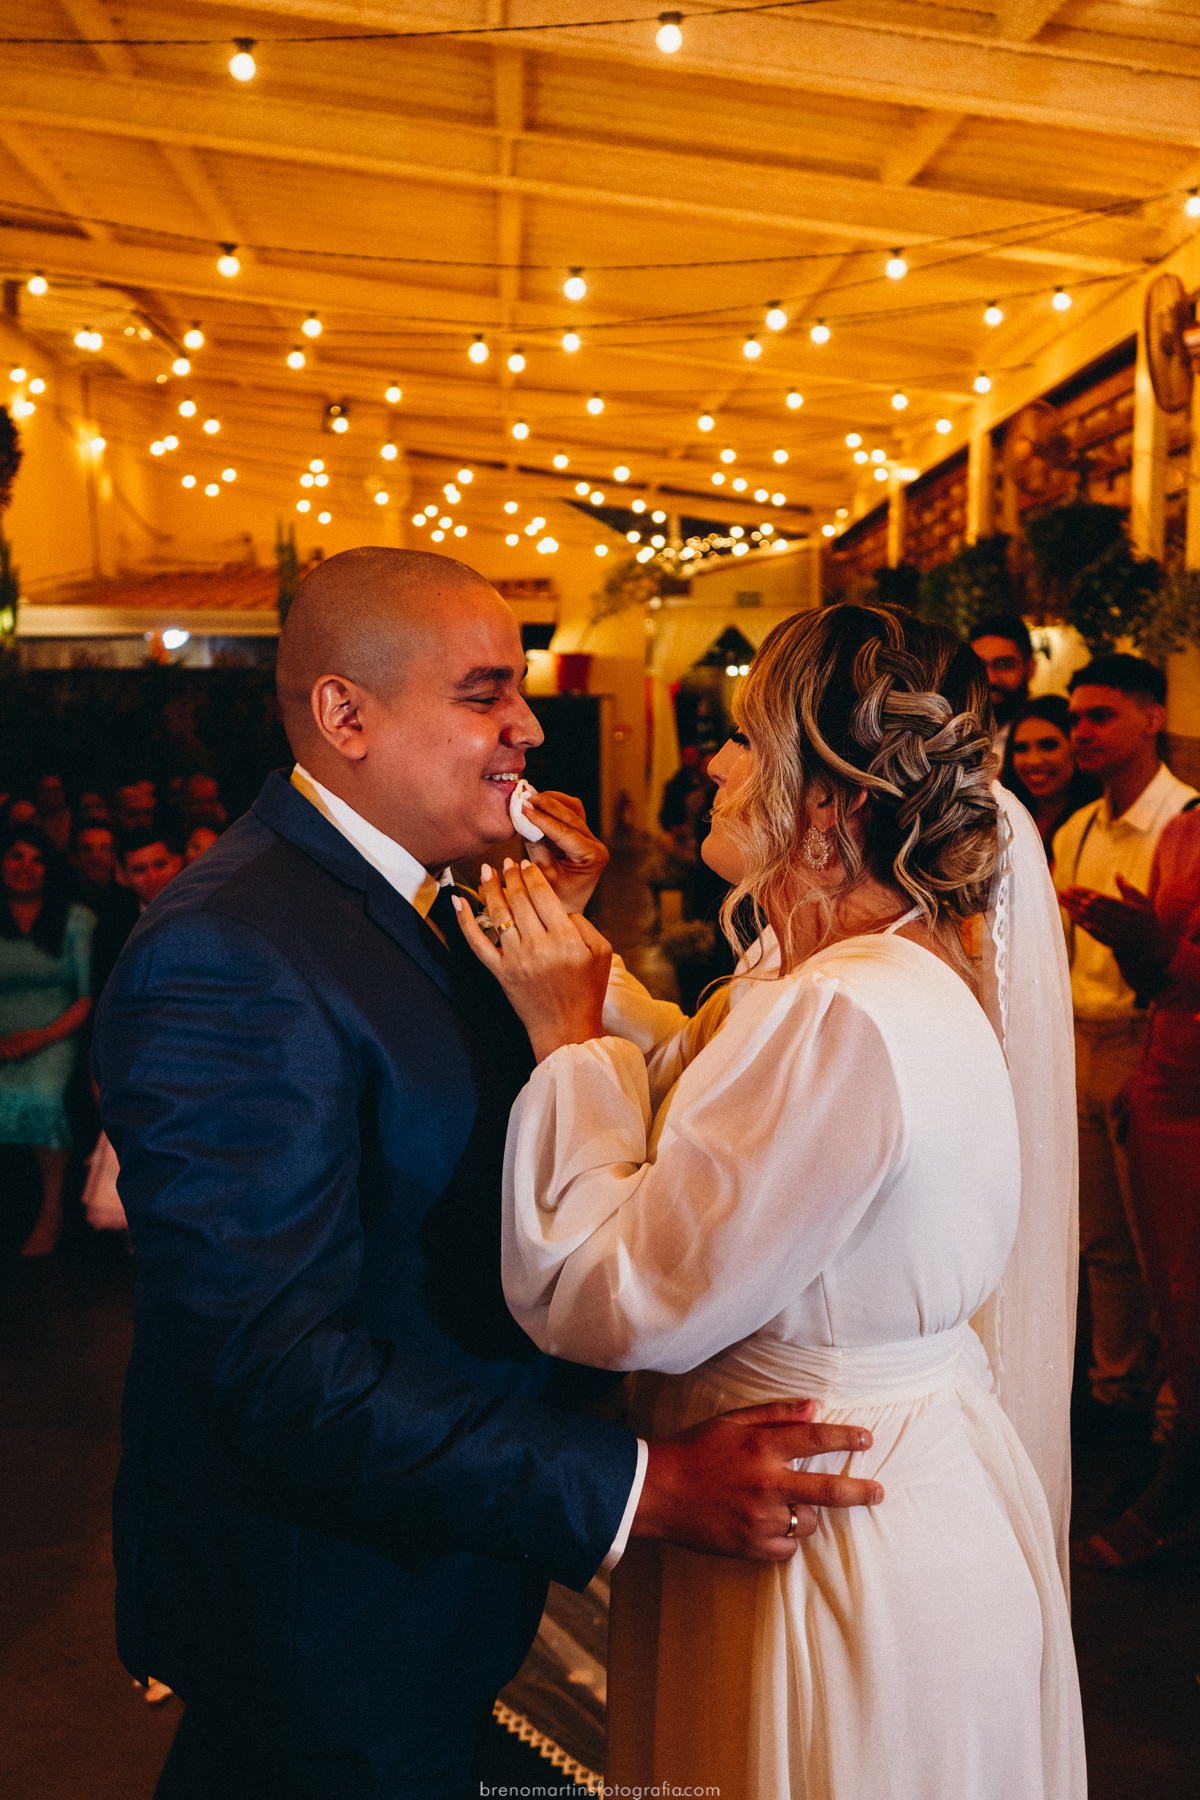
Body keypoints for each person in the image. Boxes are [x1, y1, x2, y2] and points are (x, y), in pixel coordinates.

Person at [93, 548, 878, 1799]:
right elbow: (273, 1364)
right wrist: (639, 1485)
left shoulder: (418, 901)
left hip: (430, 1584)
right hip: (324, 1622)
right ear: (346, 714)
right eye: (483, 694)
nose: (525, 729)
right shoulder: (230, 946)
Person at [459, 603, 1085, 1797]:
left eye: (747, 739)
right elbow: (718, 1104)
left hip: (828, 1530)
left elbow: (615, 1296)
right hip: (866, 1482)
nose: (720, 765)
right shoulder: (846, 975)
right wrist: (584, 961)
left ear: (832, 800)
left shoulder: (841, 1012)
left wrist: (563, 1038)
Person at [1056, 654, 1197, 1427]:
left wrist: (1146, 944)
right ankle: (1115, 1391)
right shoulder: (1080, 826)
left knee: (1164, 1247)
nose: (1082, 732)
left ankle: (1175, 1411)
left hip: (1155, 1041)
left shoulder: (1182, 822)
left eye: (1100, 716)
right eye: (1076, 717)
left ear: (1153, 717)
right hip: (1082, 1034)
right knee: (1101, 1239)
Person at [1061, 800, 1200, 1567]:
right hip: (1172, 1084)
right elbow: (1157, 984)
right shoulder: (1187, 827)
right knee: (1174, 1300)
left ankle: (1174, 1491)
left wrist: (1165, 952)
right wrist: (1138, 948)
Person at [0, 825, 94, 1256]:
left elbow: (88, 995)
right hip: (2, 1038)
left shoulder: (75, 918)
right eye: (16, 856)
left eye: (36, 858)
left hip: (56, 1033)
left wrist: (41, 1038)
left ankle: (51, 1211)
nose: (25, 867)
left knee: (42, 1098)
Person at [1000, 694, 1100, 861]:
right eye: (1021, 748)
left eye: (1048, 745)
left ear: (1077, 747)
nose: (1033, 761)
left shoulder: (1098, 822)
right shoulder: (1001, 820)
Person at [90, 828, 184, 1004]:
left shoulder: (208, 913)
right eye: (140, 869)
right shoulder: (112, 929)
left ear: (178, 864)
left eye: (160, 865)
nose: (152, 877)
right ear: (122, 876)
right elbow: (109, 995)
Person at [970, 613, 1036, 760]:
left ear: (1030, 668)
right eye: (979, 666)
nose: (990, 679)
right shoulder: (952, 735)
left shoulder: (1047, 735)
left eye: (1004, 665)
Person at [35, 773, 72, 853]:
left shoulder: (77, 817)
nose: (51, 795)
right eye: (45, 791)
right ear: (38, 793)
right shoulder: (32, 817)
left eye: (56, 790)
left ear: (63, 792)